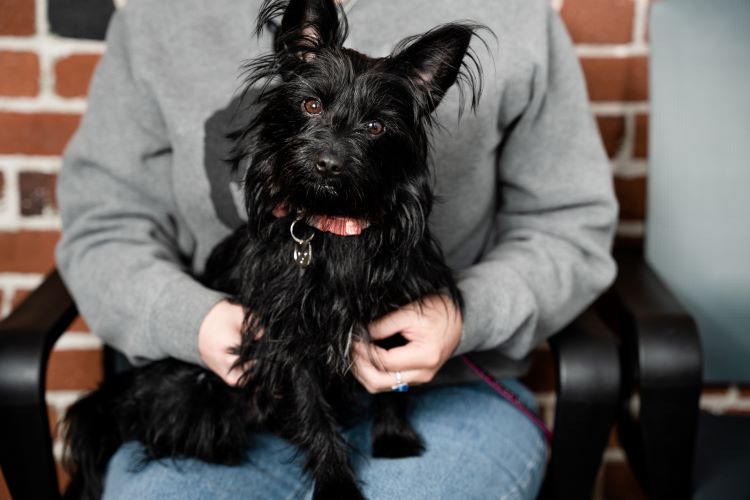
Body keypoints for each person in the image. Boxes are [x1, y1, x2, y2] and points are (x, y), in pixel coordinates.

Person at [56, 0, 617, 498]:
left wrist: (468, 314)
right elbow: (105, 226)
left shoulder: (516, 16)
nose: (328, 154)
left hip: (451, 391)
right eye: (311, 110)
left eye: (370, 128)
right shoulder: (159, 19)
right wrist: (191, 321)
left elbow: (570, 225)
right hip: (225, 392)